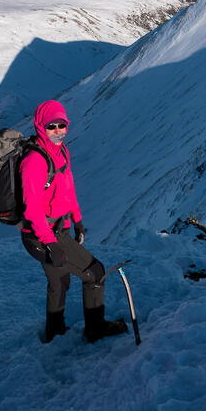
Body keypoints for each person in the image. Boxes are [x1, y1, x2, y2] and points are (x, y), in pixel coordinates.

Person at [19, 99, 127, 343]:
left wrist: (76, 219)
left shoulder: (62, 152)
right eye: (51, 127)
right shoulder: (34, 162)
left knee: (59, 281)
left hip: (57, 229)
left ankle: (54, 334)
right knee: (95, 272)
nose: (58, 131)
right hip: (41, 234)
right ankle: (96, 327)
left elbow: (68, 190)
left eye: (62, 125)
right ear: (40, 127)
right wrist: (51, 243)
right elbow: (33, 210)